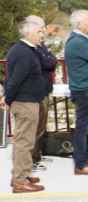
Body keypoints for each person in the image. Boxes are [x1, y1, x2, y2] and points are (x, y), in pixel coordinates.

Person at [4, 18, 50, 193]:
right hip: (25, 102)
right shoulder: (24, 52)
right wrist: (7, 99)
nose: (42, 34)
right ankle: (20, 181)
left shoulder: (25, 50)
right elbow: (15, 80)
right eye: (39, 32)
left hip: (28, 101)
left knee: (25, 141)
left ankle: (22, 173)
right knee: (24, 142)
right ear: (29, 33)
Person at [65, 10, 88, 176]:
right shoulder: (78, 42)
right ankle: (80, 164)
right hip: (84, 90)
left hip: (87, 89)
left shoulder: (81, 40)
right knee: (83, 127)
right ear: (80, 24)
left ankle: (86, 156)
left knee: (87, 126)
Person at [25, 15, 57, 172]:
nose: (44, 30)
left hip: (44, 90)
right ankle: (30, 161)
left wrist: (50, 59)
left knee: (41, 127)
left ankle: (36, 157)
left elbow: (52, 61)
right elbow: (48, 62)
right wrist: (50, 59)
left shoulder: (41, 45)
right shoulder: (32, 48)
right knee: (35, 128)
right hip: (37, 93)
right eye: (41, 27)